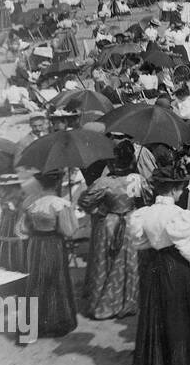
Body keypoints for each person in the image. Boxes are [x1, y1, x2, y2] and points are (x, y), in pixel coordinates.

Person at [127, 171, 190, 365]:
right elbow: (183, 245)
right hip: (175, 265)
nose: (182, 193)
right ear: (173, 190)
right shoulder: (178, 213)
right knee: (177, 310)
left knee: (155, 308)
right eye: (180, 189)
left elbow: (138, 243)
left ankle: (155, 361)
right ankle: (179, 361)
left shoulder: (144, 213)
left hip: (153, 263)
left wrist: (155, 243)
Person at [78, 139, 147, 320]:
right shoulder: (138, 180)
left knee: (107, 260)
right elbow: (147, 198)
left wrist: (99, 209)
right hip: (132, 221)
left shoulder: (104, 182)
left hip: (110, 222)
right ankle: (128, 301)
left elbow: (85, 201)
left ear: (112, 162)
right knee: (129, 262)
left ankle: (106, 303)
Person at [17, 170, 79, 340]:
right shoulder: (61, 204)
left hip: (36, 245)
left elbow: (24, 229)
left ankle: (34, 323)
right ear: (58, 183)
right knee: (56, 280)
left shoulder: (33, 204)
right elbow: (68, 230)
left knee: (37, 280)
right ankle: (57, 321)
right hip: (54, 244)